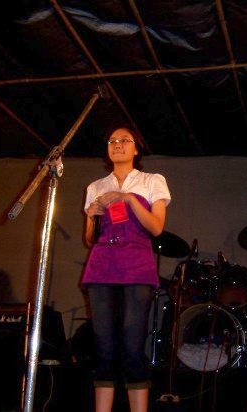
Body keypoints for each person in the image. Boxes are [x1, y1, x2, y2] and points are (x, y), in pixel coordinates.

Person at [82, 125, 171, 412]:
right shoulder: (96, 187)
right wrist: (92, 217)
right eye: (112, 141)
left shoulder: (151, 180)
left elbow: (156, 227)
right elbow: (89, 239)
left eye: (124, 140)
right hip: (101, 266)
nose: (117, 144)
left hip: (136, 266)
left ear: (136, 148)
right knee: (104, 347)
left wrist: (129, 199)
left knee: (133, 346)